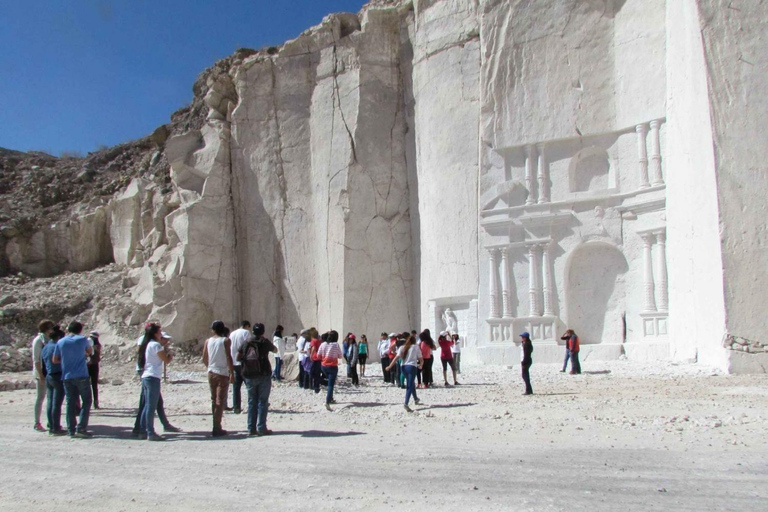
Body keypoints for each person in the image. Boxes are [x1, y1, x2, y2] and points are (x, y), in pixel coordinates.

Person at [132, 323, 179, 436]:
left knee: (147, 405)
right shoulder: (156, 345)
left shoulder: (148, 344)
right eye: (159, 332)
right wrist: (171, 355)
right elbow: (166, 360)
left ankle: (142, 430)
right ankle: (150, 432)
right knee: (150, 406)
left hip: (148, 376)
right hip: (153, 376)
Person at [52, 321, 93, 438]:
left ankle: (71, 429)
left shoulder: (60, 342)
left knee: (70, 402)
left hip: (67, 376)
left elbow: (55, 359)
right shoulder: (82, 339)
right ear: (80, 330)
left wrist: (66, 360)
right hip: (81, 375)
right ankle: (81, 428)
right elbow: (90, 352)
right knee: (86, 401)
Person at [238, 323, 277, 436]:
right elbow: (275, 350)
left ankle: (251, 428)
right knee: (262, 402)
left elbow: (238, 357)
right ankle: (261, 428)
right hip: (263, 374)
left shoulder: (246, 342)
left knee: (251, 402)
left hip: (249, 375)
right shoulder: (264, 342)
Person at [203, 321, 235, 437]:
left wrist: (210, 367)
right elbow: (228, 357)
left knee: (214, 399)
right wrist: (231, 372)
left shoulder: (208, 341)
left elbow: (204, 358)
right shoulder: (225, 341)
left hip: (211, 372)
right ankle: (216, 427)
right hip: (222, 373)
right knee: (220, 400)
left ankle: (216, 425)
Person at [387, 334, 423, 412]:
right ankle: (406, 404)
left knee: (411, 383)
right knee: (409, 386)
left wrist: (389, 366)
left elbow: (396, 358)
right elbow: (421, 359)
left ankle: (416, 399)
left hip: (403, 367)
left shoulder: (402, 347)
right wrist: (420, 365)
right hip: (412, 367)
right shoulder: (416, 347)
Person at [41, 325, 66, 436]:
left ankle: (51, 425)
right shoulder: (57, 346)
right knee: (57, 403)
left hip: (49, 376)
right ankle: (56, 427)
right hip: (58, 375)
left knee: (50, 402)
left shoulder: (45, 347)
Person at [31, 319, 54, 432]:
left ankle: (51, 421)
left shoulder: (49, 339)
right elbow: (36, 359)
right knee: (40, 398)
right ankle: (37, 422)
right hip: (42, 373)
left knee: (51, 398)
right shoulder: (38, 340)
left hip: (50, 372)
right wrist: (40, 375)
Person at [228, 321, 251, 414]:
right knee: (249, 385)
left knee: (236, 387)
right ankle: (252, 405)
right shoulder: (246, 333)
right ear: (247, 326)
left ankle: (236, 407)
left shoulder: (232, 334)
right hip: (243, 362)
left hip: (234, 362)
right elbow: (249, 346)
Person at [318, 330, 343, 411]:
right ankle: (327, 402)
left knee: (328, 382)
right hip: (332, 367)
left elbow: (319, 355)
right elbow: (340, 356)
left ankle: (331, 398)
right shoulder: (336, 345)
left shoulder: (323, 344)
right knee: (331, 385)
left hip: (323, 366)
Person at [87, 331, 102, 409]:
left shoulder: (89, 343)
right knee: (94, 384)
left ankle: (92, 402)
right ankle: (95, 403)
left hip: (89, 365)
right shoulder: (96, 345)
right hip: (93, 365)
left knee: (89, 384)